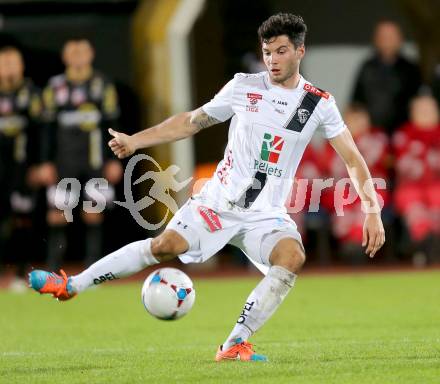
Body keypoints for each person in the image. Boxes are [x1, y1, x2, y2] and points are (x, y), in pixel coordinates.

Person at [29, 14, 385, 362]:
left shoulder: (318, 103)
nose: (271, 60)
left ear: (299, 52)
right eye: (267, 51)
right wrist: (136, 141)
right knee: (165, 245)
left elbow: (353, 159)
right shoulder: (244, 86)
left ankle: (234, 344)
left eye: (280, 51)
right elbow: (190, 122)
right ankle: (72, 285)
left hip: (265, 215)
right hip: (217, 203)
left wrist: (372, 210)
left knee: (292, 257)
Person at [38, 38, 123, 270]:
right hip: (63, 161)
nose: (77, 57)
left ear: (91, 55)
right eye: (72, 52)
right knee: (57, 212)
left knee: (93, 211)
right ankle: (53, 268)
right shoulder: (54, 87)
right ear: (65, 57)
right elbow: (46, 128)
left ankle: (93, 268)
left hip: (95, 161)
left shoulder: (102, 85)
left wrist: (114, 159)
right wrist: (45, 161)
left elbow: (112, 125)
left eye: (82, 52)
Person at [0, 46, 41, 290]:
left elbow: (42, 132)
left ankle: (19, 272)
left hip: (21, 170)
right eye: (3, 63)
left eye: (12, 62)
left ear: (22, 66)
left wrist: (39, 164)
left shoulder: (33, 95)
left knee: (21, 221)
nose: (8, 68)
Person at [351, 20, 422, 135]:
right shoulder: (367, 68)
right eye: (383, 36)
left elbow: (419, 104)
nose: (387, 41)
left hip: (404, 132)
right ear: (376, 39)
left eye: (391, 37)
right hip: (371, 134)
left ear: (400, 39)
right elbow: (356, 104)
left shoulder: (411, 69)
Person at [393, 95, 440, 264]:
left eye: (430, 109)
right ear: (412, 113)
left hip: (436, 185)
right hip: (410, 187)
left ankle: (433, 244)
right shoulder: (404, 134)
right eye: (421, 110)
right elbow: (405, 167)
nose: (426, 113)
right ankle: (423, 244)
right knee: (414, 204)